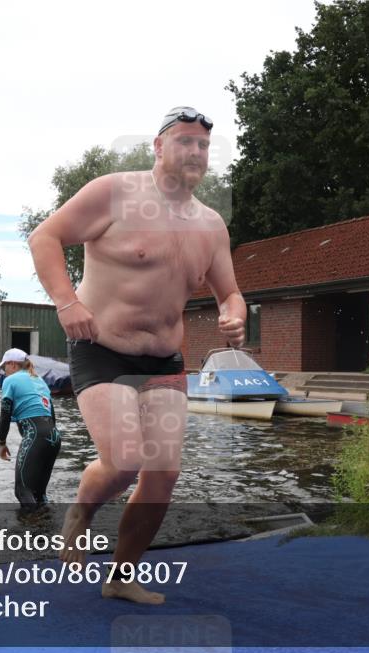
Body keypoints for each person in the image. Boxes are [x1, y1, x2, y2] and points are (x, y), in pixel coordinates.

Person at [27, 106, 245, 604]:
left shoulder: (211, 226)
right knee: (124, 461)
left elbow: (230, 293)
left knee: (163, 474)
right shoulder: (116, 192)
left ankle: (121, 576)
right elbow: (46, 236)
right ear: (159, 146)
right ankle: (82, 508)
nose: (194, 152)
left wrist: (235, 314)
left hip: (165, 361)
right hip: (103, 350)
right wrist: (67, 302)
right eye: (185, 141)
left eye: (203, 145)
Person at [0, 348, 61, 510]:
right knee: (39, 494)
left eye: (4, 368)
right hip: (54, 436)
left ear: (12, 364)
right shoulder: (39, 380)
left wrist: (1, 442)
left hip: (36, 435)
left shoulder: (11, 381)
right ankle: (46, 529)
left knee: (22, 491)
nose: (4, 372)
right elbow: (52, 416)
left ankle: (31, 532)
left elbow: (5, 413)